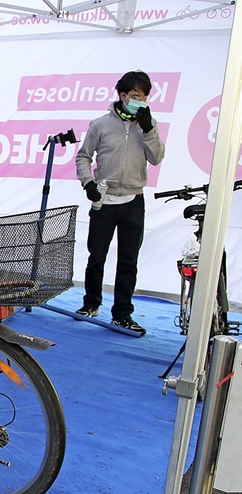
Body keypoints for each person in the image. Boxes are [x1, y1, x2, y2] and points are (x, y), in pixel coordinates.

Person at [75, 70, 165, 335]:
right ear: (123, 95)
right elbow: (83, 156)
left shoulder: (148, 124)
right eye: (136, 96)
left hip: (133, 200)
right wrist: (88, 183)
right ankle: (91, 303)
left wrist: (148, 129)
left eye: (145, 96)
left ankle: (122, 313)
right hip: (104, 199)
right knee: (97, 255)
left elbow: (157, 157)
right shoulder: (101, 124)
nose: (141, 101)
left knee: (128, 260)